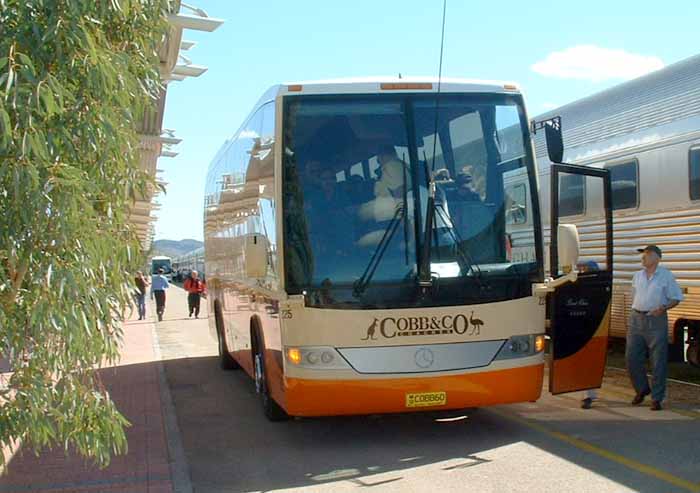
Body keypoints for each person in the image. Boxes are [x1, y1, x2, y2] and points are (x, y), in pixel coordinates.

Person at [627, 245, 683, 411]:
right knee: (631, 358)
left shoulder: (665, 275)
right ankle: (642, 389)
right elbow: (634, 295)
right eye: (643, 255)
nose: (643, 258)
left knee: (658, 360)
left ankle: (657, 398)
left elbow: (676, 298)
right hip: (636, 319)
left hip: (656, 320)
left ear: (657, 258)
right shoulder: (637, 276)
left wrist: (663, 308)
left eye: (647, 254)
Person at [576, 260, 600, 409]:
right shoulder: (578, 285)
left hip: (593, 329)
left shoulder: (597, 287)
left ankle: (589, 396)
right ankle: (587, 394)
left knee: (590, 361)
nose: (582, 271)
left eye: (585, 269)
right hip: (581, 327)